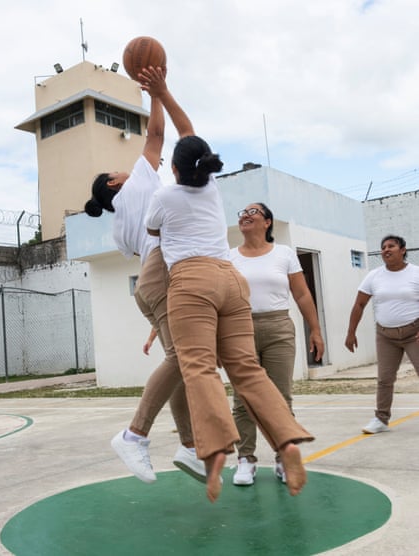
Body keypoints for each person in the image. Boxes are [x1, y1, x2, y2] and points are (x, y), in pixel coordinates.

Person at [141, 67, 314, 503]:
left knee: (198, 368)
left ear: (175, 170)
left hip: (193, 281)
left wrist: (153, 96)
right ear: (204, 166)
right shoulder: (212, 188)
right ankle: (287, 444)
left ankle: (216, 453)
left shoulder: (164, 197)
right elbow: (190, 134)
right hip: (231, 281)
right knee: (248, 371)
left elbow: (155, 233)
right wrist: (164, 91)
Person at [84, 80, 205, 484]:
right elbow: (156, 134)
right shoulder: (137, 180)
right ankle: (134, 434)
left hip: (148, 285)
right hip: (163, 275)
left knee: (181, 364)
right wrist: (154, 92)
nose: (124, 166)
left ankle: (189, 446)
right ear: (115, 183)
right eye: (115, 170)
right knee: (182, 360)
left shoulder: (118, 228)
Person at [230, 202, 324, 486]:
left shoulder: (284, 253)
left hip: (279, 328)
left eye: (253, 212)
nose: (246, 215)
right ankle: (246, 459)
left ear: (268, 222)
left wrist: (315, 330)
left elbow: (303, 294)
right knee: (243, 399)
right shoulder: (228, 256)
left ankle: (284, 457)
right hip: (239, 330)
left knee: (281, 398)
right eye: (242, 212)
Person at [345, 235, 419, 434]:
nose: (386, 249)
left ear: (403, 250)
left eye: (391, 246)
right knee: (384, 379)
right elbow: (359, 304)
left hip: (414, 333)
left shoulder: (415, 273)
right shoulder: (374, 276)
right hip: (386, 335)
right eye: (383, 247)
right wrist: (350, 333)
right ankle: (381, 419)